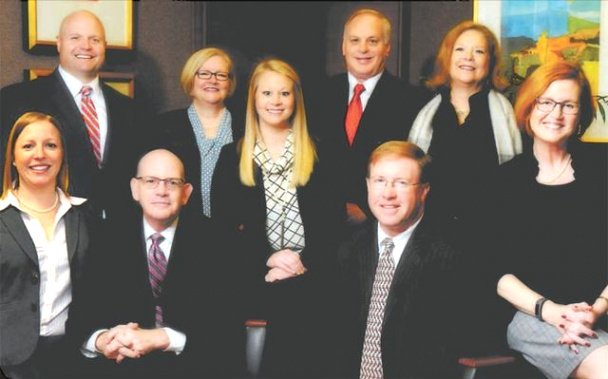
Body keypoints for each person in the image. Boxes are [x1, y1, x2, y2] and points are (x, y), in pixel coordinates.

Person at [211, 58, 342, 377]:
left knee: (304, 302)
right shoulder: (232, 157)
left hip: (312, 271)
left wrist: (301, 263)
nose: (275, 101)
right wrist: (268, 260)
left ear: (296, 98)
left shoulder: (320, 153)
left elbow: (333, 226)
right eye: (267, 93)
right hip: (253, 273)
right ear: (253, 98)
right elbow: (222, 233)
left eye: (284, 93)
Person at [71, 149, 245, 378]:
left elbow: (227, 330)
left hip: (196, 368)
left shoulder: (218, 241)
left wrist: (162, 338)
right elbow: (81, 317)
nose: (161, 191)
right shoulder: (106, 237)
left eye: (172, 183)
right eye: (151, 181)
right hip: (121, 369)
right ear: (135, 189)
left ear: (186, 193)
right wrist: (103, 340)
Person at [492, 61, 607, 379]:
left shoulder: (602, 169)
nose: (555, 114)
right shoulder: (504, 181)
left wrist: (597, 308)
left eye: (568, 105)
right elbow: (494, 271)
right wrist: (553, 311)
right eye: (546, 102)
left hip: (599, 311)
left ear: (580, 113)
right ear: (529, 106)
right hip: (533, 317)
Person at [337, 141, 461, 378]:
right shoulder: (346, 250)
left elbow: (446, 350)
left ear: (424, 191)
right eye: (379, 181)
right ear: (367, 185)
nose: (387, 194)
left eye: (401, 183)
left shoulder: (449, 256)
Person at [1, 10, 137, 222]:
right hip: (49, 229)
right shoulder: (17, 98)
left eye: (95, 39)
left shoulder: (129, 108)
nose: (86, 46)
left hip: (117, 234)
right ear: (59, 43)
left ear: (105, 45)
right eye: (75, 38)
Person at [408, 20, 522, 250]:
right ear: (447, 57)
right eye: (460, 49)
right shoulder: (424, 109)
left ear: (490, 62)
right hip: (429, 236)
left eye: (478, 51)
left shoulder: (505, 113)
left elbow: (514, 182)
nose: (468, 57)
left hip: (488, 237)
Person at [0, 112, 94, 379]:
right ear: (13, 158)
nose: (39, 154)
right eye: (28, 146)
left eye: (50, 145)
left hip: (70, 359)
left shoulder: (85, 215)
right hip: (8, 363)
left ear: (62, 153)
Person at [317, 8, 416, 226]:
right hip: (320, 224)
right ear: (343, 47)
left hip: (380, 225)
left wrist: (366, 211)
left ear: (387, 47)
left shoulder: (412, 101)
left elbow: (413, 173)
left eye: (373, 41)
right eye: (355, 40)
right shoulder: (318, 94)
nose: (363, 49)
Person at [149, 47, 242, 217]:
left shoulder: (246, 128)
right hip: (180, 230)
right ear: (191, 80)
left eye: (221, 75)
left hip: (235, 232)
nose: (213, 80)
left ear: (229, 84)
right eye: (204, 73)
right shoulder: (162, 127)